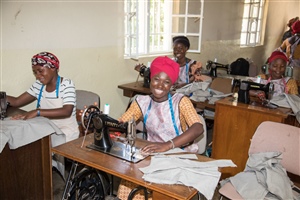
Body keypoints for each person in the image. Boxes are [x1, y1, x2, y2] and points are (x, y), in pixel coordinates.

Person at [117, 56, 204, 199]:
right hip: (153, 153)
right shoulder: (142, 102)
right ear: (150, 80)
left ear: (172, 85)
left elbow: (198, 128)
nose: (160, 85)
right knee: (130, 178)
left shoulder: (181, 101)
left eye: (166, 82)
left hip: (179, 153)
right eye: (156, 79)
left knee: (160, 188)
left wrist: (168, 145)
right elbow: (122, 122)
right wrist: (102, 120)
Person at [7, 52, 79, 143]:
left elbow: (66, 111)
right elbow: (17, 102)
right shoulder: (39, 85)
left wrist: (37, 112)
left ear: (53, 67)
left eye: (40, 71)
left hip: (66, 132)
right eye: (35, 73)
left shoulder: (67, 84)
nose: (37, 76)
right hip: (47, 128)